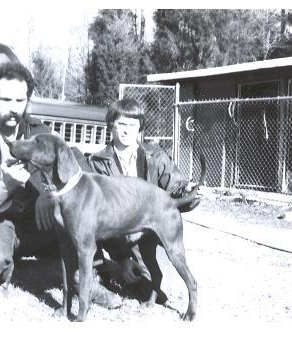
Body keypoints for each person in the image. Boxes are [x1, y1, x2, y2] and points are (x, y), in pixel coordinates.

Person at [0, 62, 122, 308]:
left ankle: (83, 280)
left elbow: (69, 161)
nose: (14, 108)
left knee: (80, 215)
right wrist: (5, 187)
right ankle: (2, 274)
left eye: (20, 101)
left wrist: (49, 193)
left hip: (35, 220)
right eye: (6, 100)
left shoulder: (38, 131)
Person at [76, 98, 201, 305]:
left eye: (133, 125)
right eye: (121, 124)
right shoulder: (95, 163)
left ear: (140, 128)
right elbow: (94, 219)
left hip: (149, 231)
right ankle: (114, 268)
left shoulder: (155, 155)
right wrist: (121, 257)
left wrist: (188, 191)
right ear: (110, 125)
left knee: (164, 288)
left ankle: (133, 273)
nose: (127, 131)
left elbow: (175, 189)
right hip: (118, 238)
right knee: (137, 280)